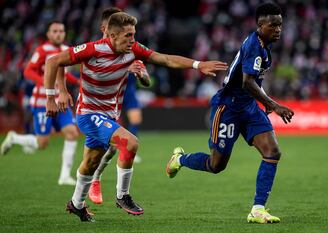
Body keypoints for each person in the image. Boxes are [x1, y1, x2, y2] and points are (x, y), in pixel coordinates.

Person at [44, 12, 228, 222]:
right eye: (128, 36)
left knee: (91, 162)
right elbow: (54, 61)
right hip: (88, 113)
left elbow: (164, 59)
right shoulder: (93, 49)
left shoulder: (133, 50)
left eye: (133, 35)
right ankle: (123, 196)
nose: (132, 40)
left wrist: (197, 65)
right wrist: (56, 94)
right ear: (111, 36)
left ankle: (77, 204)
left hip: (109, 115)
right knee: (130, 143)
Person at [165, 3, 294, 224]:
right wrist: (274, 104)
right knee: (217, 165)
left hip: (249, 107)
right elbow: (247, 82)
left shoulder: (264, 46)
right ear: (260, 25)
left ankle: (258, 209)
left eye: (280, 25)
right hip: (229, 108)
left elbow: (254, 83)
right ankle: (181, 159)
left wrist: (267, 104)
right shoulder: (255, 45)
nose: (278, 29)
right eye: (273, 25)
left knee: (272, 152)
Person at [0, 21, 80, 186]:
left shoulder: (66, 50)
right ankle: (15, 138)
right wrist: (46, 83)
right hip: (43, 102)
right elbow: (28, 71)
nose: (59, 34)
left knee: (72, 133)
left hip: (61, 101)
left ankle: (64, 176)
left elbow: (62, 75)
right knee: (42, 143)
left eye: (61, 31)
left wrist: (78, 82)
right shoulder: (42, 50)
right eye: (55, 31)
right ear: (49, 34)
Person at [88, 7, 147, 205]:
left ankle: (93, 182)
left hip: (121, 98)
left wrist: (141, 74)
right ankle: (93, 182)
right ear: (104, 29)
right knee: (97, 152)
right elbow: (67, 64)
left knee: (113, 147)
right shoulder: (93, 50)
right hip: (94, 105)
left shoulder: (130, 48)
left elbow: (145, 77)